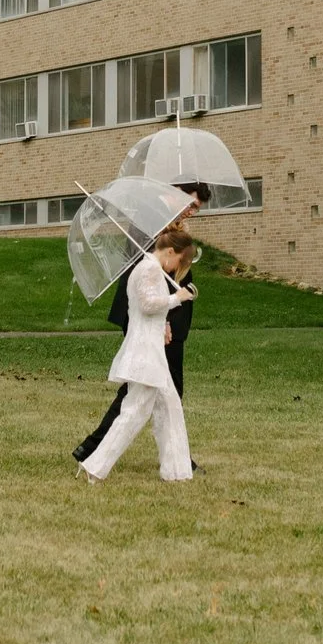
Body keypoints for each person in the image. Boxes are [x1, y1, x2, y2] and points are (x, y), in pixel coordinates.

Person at [73, 182, 208, 462]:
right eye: (192, 204)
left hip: (167, 317)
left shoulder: (171, 222)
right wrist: (165, 321)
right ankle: (175, 460)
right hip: (154, 317)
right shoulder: (150, 220)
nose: (193, 212)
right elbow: (146, 276)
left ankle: (93, 447)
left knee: (153, 390)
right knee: (152, 390)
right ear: (179, 194)